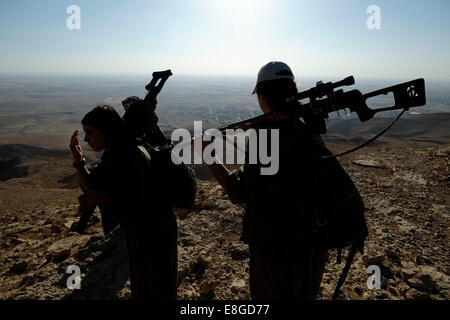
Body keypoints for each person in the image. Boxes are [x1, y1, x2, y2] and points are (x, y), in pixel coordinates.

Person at [203, 61, 342, 299]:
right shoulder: (306, 124)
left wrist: (209, 156)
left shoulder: (265, 134)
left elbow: (239, 192)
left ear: (262, 94)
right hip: (313, 244)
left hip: (277, 249)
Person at [69, 105, 178, 300]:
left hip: (156, 230)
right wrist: (78, 160)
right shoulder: (113, 154)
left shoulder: (132, 153)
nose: (86, 139)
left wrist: (98, 196)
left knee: (158, 288)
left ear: (107, 130)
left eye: (90, 132)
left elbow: (132, 195)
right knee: (143, 287)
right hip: (139, 230)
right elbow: (91, 186)